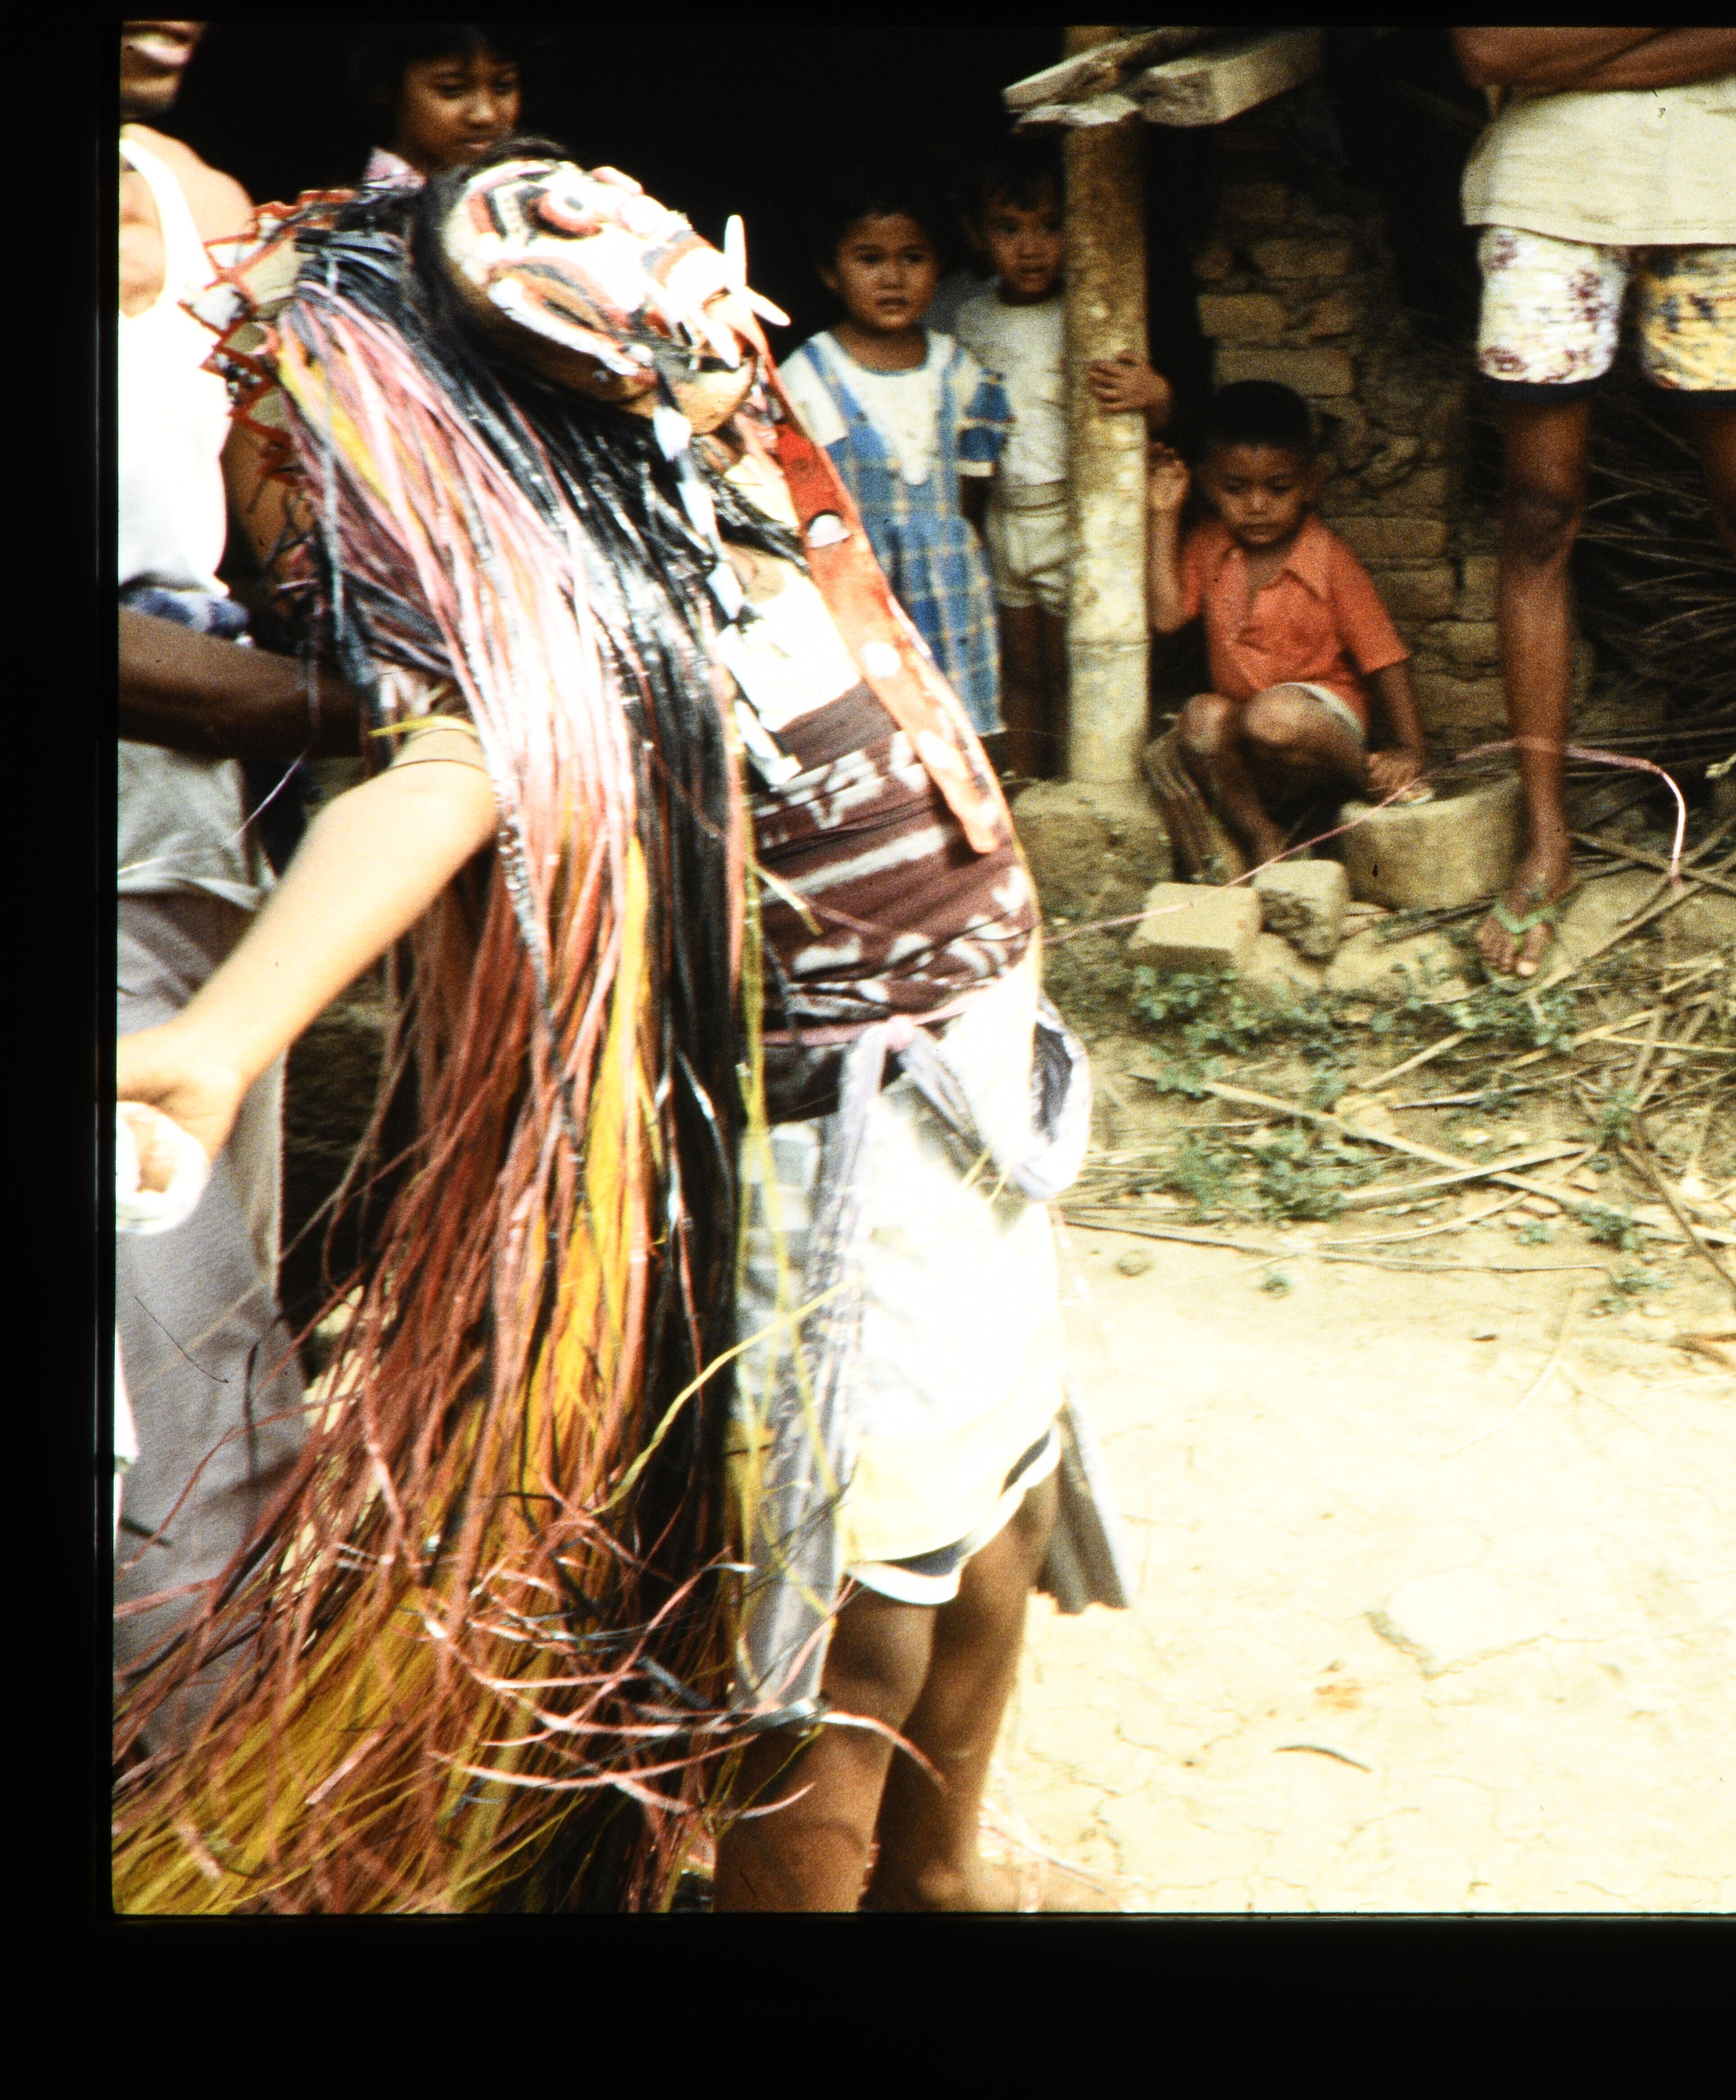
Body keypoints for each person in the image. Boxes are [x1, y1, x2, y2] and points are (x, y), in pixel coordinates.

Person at [113, 151, 1116, 1912]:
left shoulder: (589, 583)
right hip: (934, 1082)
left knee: (866, 1597)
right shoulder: (696, 522)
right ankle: (918, 1880)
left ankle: (887, 1886)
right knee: (944, 1526)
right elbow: (457, 763)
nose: (297, 474)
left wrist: (219, 1041)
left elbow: (450, 765)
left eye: (309, 421)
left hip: (882, 1125)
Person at [1449, 26, 1736, 977]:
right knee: (1538, 516)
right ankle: (1548, 841)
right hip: (1545, 196)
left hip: (1720, 191)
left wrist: (1564, 54)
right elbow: (1488, 52)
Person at [114, 16, 329, 1747]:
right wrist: (350, 710)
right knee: (182, 1366)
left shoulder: (202, 203)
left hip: (191, 839)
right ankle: (191, 1785)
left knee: (211, 1316)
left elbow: (270, 521)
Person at [945, 132, 1172, 779]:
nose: (1031, 246)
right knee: (1020, 670)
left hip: (1070, 520)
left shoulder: (1090, 314)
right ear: (976, 233)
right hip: (1005, 518)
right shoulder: (971, 320)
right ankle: (1027, 788)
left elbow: (1146, 417)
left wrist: (1156, 394)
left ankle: (1080, 788)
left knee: (1069, 667)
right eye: (1009, 228)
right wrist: (965, 521)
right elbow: (966, 433)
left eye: (1050, 225)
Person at [1142, 380, 1426, 879]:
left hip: (1318, 725)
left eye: (1278, 488)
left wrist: (1409, 749)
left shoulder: (1329, 558)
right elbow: (1166, 618)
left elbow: (1385, 657)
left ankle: (1371, 779)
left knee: (1273, 716)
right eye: (1236, 489)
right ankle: (1263, 837)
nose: (1257, 506)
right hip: (1249, 733)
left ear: (1311, 483)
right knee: (1201, 719)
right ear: (1206, 483)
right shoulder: (1208, 544)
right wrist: (1164, 514)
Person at [777, 177, 1015, 752]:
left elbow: (972, 484)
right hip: (862, 582)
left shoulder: (956, 367)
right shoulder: (812, 373)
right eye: (869, 259)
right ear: (831, 273)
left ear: (939, 266)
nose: (893, 278)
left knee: (958, 720)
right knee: (882, 722)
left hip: (949, 580)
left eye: (913, 258)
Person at [351, 24, 524, 192]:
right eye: (452, 89)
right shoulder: (374, 205)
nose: (486, 115)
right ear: (386, 89)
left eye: (503, 85)